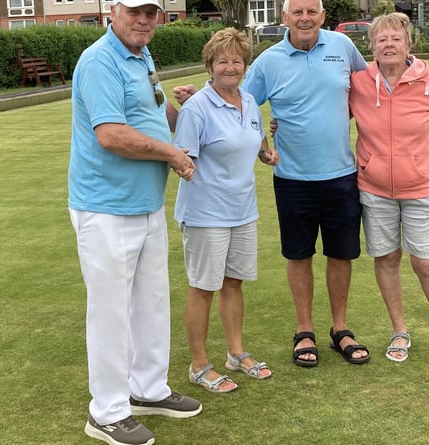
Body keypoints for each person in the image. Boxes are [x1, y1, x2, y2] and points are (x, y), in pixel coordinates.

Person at [176, 0, 370, 367]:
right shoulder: (267, 61)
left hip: (342, 173)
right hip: (293, 178)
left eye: (311, 11)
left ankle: (341, 329)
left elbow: (367, 89)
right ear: (284, 18)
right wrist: (194, 99)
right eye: (296, 12)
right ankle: (304, 331)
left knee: (341, 254)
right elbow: (235, 97)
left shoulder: (343, 48)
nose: (305, 18)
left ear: (323, 16)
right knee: (299, 255)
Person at [68, 0, 202, 443]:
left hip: (146, 202)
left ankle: (148, 389)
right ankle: (106, 411)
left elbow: (153, 111)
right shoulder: (99, 60)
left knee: (151, 301)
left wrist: (187, 118)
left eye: (152, 13)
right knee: (109, 312)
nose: (144, 21)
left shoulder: (141, 55)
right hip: (106, 206)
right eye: (135, 12)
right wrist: (172, 154)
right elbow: (110, 134)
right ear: (114, 11)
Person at [348, 13, 429, 367]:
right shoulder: (358, 82)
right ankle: (399, 330)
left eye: (395, 39)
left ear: (408, 45)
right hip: (374, 189)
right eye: (381, 40)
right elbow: (326, 113)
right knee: (387, 259)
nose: (388, 45)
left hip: (423, 188)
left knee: (428, 264)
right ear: (371, 46)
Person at [173, 28, 279, 393]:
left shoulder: (249, 101)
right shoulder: (197, 107)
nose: (230, 67)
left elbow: (254, 135)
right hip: (205, 215)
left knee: (234, 285)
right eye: (223, 61)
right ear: (210, 65)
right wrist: (183, 166)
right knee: (204, 287)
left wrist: (266, 152)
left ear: (245, 66)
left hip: (243, 211)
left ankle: (236, 353)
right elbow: (183, 157)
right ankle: (199, 365)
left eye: (237, 60)